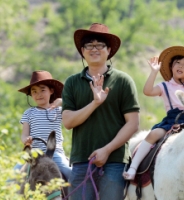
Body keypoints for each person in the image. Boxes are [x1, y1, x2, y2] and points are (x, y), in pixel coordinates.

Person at [122, 46, 184, 198]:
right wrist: (153, 72)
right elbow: (147, 91)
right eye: (177, 62)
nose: (180, 66)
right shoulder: (165, 86)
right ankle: (133, 168)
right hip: (172, 121)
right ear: (171, 67)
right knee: (153, 134)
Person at [61, 23, 140, 200]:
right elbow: (67, 122)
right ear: (82, 51)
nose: (94, 49)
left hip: (114, 162)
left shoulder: (123, 81)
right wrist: (95, 103)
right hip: (82, 160)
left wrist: (107, 150)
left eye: (100, 45)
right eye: (89, 45)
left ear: (109, 50)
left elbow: (133, 123)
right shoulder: (72, 82)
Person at [18, 70, 71, 180]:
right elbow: (24, 135)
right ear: (31, 94)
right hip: (34, 155)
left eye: (42, 90)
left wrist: (61, 101)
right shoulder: (28, 113)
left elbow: (75, 107)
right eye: (34, 92)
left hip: (55, 154)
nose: (39, 94)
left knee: (70, 172)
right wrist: (26, 140)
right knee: (14, 175)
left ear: (51, 91)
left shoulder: (59, 110)